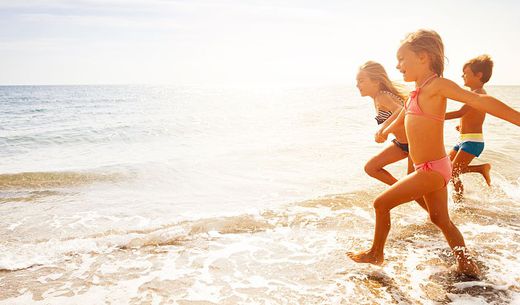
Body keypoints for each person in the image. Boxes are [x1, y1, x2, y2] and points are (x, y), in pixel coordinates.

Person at [347, 29, 520, 277]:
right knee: (440, 220)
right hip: (431, 167)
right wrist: (385, 129)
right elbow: (402, 113)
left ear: (423, 57)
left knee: (381, 203)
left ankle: (376, 252)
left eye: (402, 59)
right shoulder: (418, 90)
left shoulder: (437, 85)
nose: (398, 66)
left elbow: (480, 101)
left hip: (431, 170)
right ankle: (466, 263)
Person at [356, 61, 427, 211]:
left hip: (414, 143)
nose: (357, 85)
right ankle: (402, 190)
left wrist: (384, 128)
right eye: (357, 81)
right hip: (402, 144)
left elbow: (401, 110)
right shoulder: (377, 98)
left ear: (376, 81)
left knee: (413, 186)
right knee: (371, 168)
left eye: (361, 80)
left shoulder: (382, 96)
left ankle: (435, 217)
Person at [445, 55, 493, 201]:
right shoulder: (474, 94)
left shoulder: (479, 94)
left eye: (465, 73)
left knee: (452, 172)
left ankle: (460, 202)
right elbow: (472, 115)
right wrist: (462, 126)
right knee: (446, 167)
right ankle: (479, 170)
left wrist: (432, 116)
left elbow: (460, 112)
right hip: (464, 139)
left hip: (473, 142)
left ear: (478, 75)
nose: (462, 76)